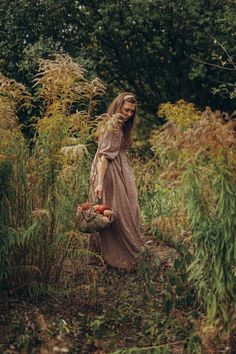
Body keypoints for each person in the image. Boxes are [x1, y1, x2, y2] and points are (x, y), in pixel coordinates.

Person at [88, 92, 144, 270]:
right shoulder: (113, 126)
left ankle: (114, 256)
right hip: (110, 173)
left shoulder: (117, 125)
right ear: (118, 107)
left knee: (124, 210)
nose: (129, 114)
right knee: (119, 212)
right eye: (126, 110)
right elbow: (104, 157)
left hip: (118, 169)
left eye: (132, 112)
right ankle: (121, 258)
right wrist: (99, 183)